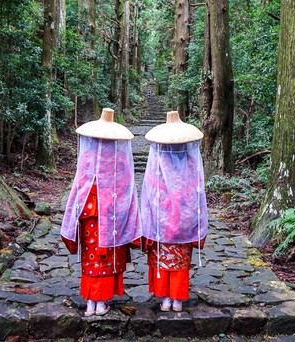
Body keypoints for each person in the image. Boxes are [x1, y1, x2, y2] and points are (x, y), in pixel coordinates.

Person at [60, 108, 142, 316]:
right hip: (114, 214)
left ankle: (91, 302)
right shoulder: (120, 158)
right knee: (108, 257)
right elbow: (126, 188)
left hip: (89, 213)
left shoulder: (87, 155)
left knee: (92, 256)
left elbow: (80, 184)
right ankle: (101, 300)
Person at [140, 111, 208, 312]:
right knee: (179, 258)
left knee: (163, 256)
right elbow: (196, 188)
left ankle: (166, 299)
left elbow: (151, 189)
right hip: (184, 216)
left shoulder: (158, 161)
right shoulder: (191, 161)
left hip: (161, 215)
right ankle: (177, 299)